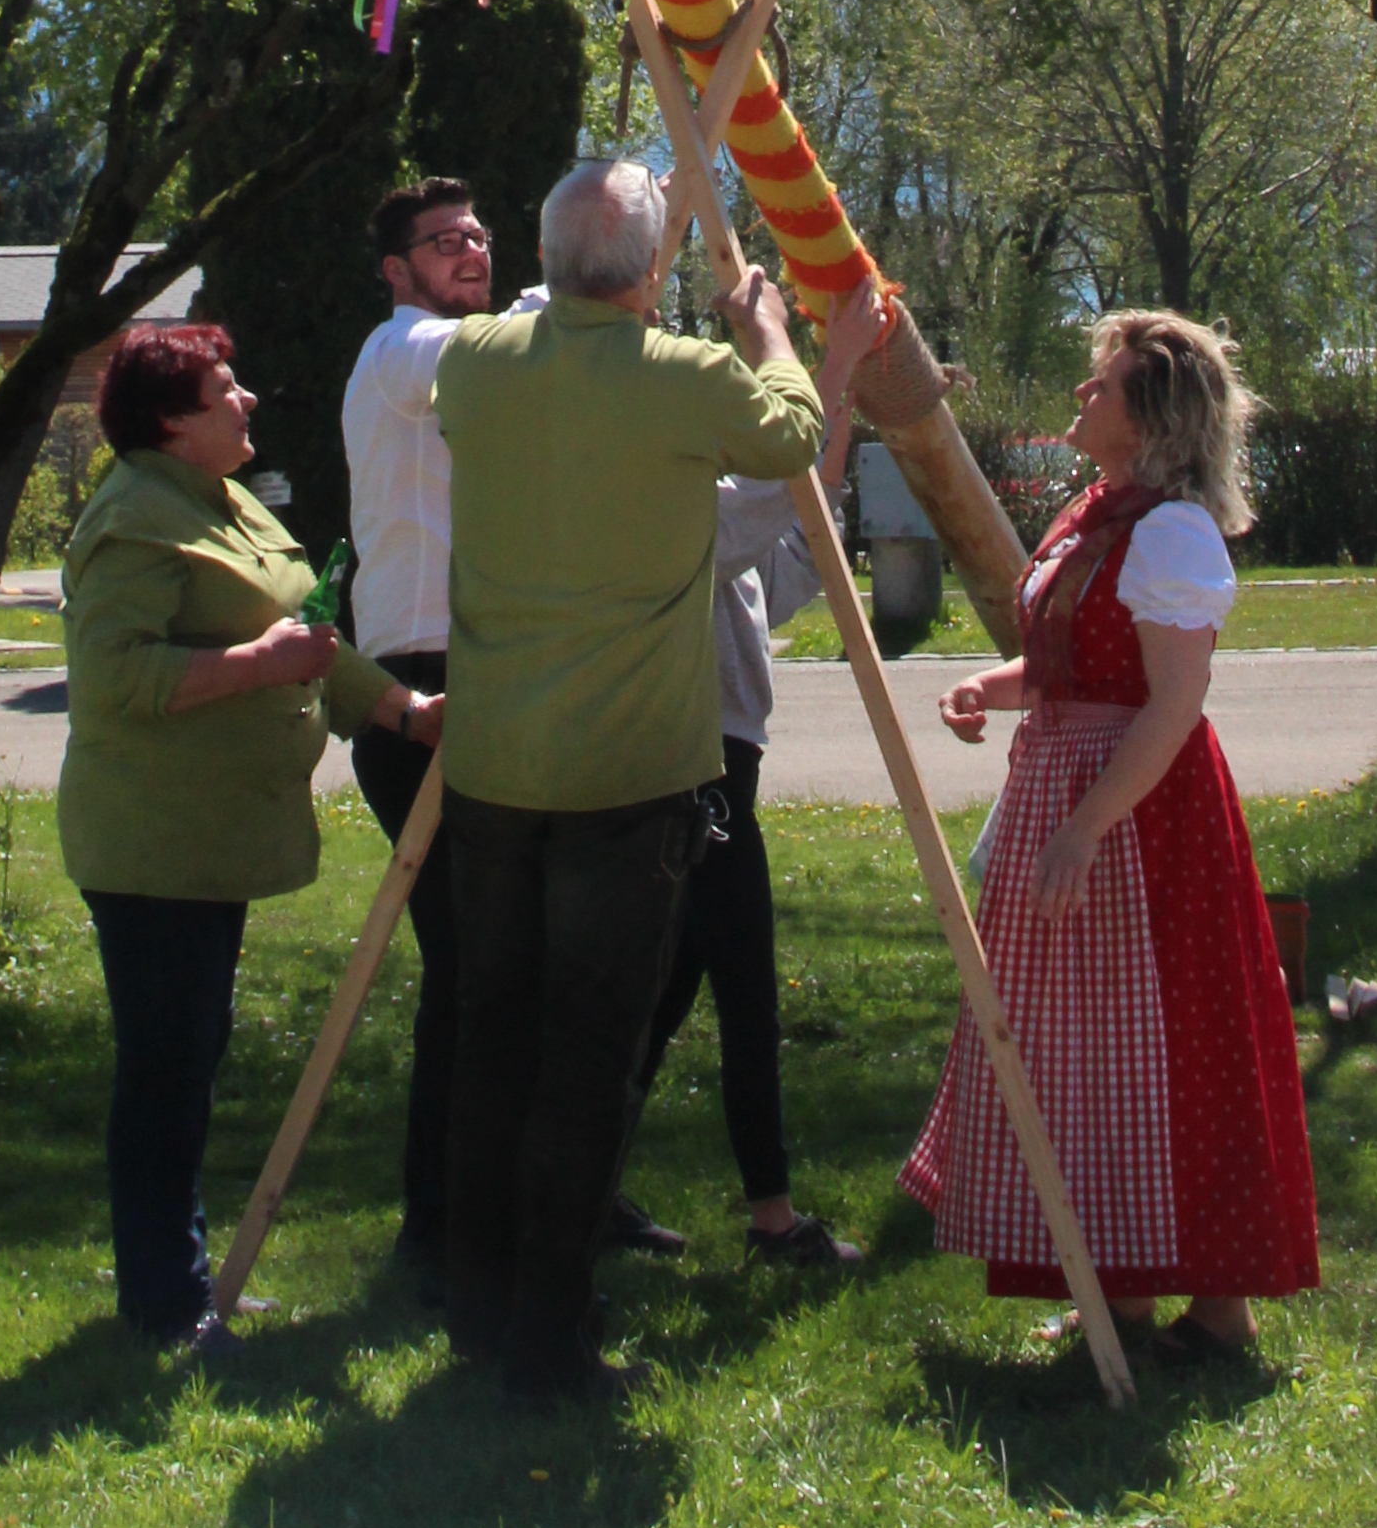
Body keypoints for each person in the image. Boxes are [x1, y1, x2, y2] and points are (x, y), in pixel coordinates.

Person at [432, 152, 852, 1404]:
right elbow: (792, 434)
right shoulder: (686, 377)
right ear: (655, 273)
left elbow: (550, 341)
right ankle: (551, 1345)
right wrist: (768, 324)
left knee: (492, 1042)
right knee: (586, 1058)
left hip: (501, 768)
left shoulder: (473, 369)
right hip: (626, 777)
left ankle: (476, 1305)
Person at [902, 308, 1317, 1360]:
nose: (1083, 396)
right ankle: (1132, 1293)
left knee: (1166, 1042)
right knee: (1083, 1049)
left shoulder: (1170, 531)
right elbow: (1069, 666)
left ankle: (1202, 1301)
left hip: (1144, 817)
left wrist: (1087, 828)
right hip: (1073, 786)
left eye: (1105, 385)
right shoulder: (1099, 514)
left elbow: (1172, 703)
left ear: (1153, 415)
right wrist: (988, 689)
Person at [58, 324, 437, 1353]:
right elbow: (116, 676)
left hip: (209, 841)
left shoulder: (221, 502)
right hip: (152, 844)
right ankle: (165, 1306)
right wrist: (255, 667)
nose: (250, 402)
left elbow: (308, 636)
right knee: (165, 1071)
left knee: (189, 1059)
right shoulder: (135, 518)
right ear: (170, 421)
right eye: (226, 390)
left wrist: (407, 710)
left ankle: (176, 1279)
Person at [615, 370, 872, 1270]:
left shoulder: (730, 528)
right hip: (698, 771)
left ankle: (585, 1188)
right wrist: (822, 378)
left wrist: (832, 413)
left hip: (732, 769)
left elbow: (803, 545)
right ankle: (771, 1217)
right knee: (743, 994)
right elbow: (769, 501)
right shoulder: (676, 516)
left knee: (667, 988)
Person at [339, 174, 496, 1286]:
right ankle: (436, 1221)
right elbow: (483, 362)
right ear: (400, 271)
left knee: (507, 956)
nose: (470, 252)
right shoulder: (402, 352)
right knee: (467, 960)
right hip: (419, 688)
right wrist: (580, 306)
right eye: (444, 242)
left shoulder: (486, 361)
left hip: (488, 669)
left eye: (479, 235)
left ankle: (540, 1191)